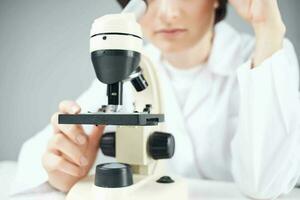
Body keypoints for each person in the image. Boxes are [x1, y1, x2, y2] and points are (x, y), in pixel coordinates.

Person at [11, 0, 300, 199]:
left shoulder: (267, 60)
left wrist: (267, 30)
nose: (167, 12)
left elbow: (266, 187)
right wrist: (63, 166)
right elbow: (29, 161)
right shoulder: (130, 67)